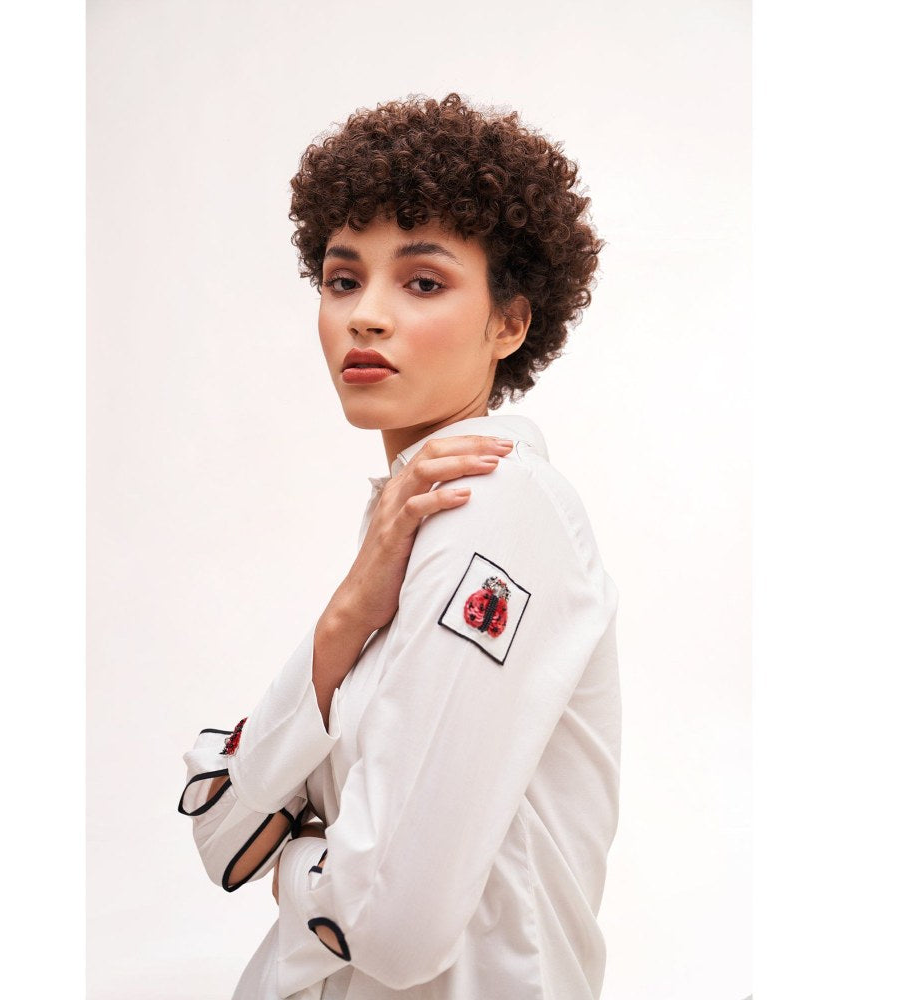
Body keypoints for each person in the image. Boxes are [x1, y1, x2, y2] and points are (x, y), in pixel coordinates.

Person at [177, 92, 621, 1000]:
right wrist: (346, 614)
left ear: (510, 323)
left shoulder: (496, 504)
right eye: (343, 280)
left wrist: (290, 854)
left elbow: (391, 925)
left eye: (422, 283)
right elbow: (219, 833)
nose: (365, 316)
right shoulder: (404, 530)